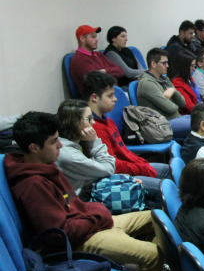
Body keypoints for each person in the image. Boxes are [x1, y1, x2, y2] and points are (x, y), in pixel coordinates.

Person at [4, 112, 171, 271]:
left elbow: (75, 206)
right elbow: (60, 233)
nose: (60, 145)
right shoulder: (32, 184)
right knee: (151, 255)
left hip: (87, 223)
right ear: (33, 147)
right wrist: (98, 216)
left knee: (157, 217)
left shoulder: (46, 166)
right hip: (75, 241)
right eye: (53, 141)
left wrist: (95, 213)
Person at [84, 71, 171, 201]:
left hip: (130, 167)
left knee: (169, 170)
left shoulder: (107, 120)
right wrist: (142, 168)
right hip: (116, 178)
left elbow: (123, 151)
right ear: (94, 97)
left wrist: (142, 164)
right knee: (166, 189)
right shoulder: (95, 128)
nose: (115, 99)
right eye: (110, 95)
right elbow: (113, 165)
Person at [54, 99, 115, 194]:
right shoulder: (69, 155)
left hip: (93, 188)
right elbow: (108, 169)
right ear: (74, 122)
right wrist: (95, 141)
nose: (93, 122)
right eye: (89, 118)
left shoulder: (76, 143)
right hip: (82, 200)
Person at [136, 48, 191, 139]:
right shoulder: (147, 84)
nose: (168, 66)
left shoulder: (165, 80)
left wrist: (172, 91)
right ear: (153, 64)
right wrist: (171, 93)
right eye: (164, 63)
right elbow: (171, 108)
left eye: (167, 62)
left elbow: (182, 103)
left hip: (176, 118)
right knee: (202, 125)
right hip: (162, 125)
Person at [70, 25, 125, 94]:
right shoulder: (80, 59)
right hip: (98, 99)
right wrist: (110, 72)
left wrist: (105, 71)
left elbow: (120, 71)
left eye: (96, 36)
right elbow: (98, 81)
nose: (97, 39)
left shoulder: (99, 54)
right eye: (93, 37)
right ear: (82, 39)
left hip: (113, 93)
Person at [168, 50, 200, 115]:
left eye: (194, 66)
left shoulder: (189, 78)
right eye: (192, 66)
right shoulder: (177, 83)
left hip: (198, 109)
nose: (194, 69)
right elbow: (189, 107)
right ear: (184, 67)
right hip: (190, 115)